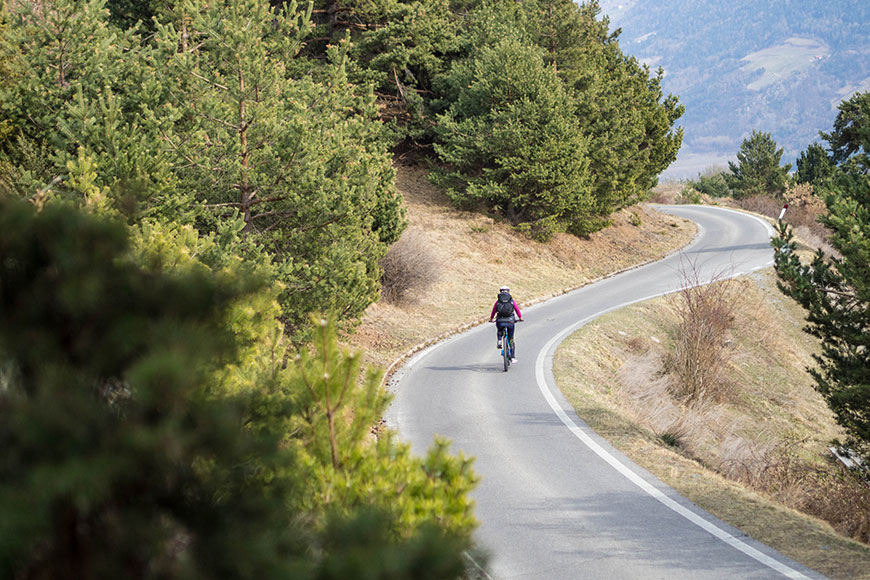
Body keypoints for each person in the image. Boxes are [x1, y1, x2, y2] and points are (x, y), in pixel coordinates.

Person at [490, 285, 523, 362]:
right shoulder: (511, 301)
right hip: (510, 321)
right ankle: (512, 357)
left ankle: (499, 340)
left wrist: (491, 319)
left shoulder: (498, 302)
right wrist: (520, 317)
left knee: (499, 330)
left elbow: (493, 311)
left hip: (500, 320)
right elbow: (517, 310)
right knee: (511, 338)